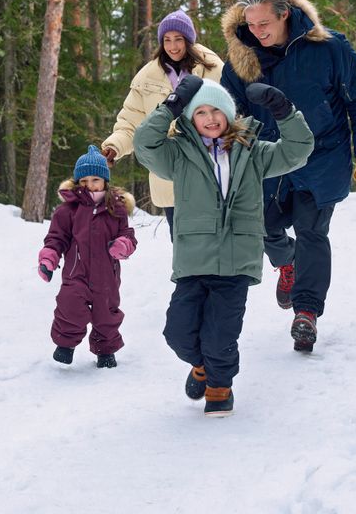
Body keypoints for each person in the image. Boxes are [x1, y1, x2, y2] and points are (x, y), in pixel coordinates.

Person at [133, 76, 313, 416]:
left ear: (229, 114)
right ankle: (201, 366)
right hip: (193, 258)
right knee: (178, 333)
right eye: (200, 111)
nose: (210, 117)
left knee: (220, 335)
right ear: (190, 118)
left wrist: (285, 111)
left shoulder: (253, 151)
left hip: (236, 261)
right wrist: (171, 104)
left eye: (217, 109)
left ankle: (219, 385)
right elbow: (145, 144)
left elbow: (298, 150)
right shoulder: (179, 154)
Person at [220, 0, 356, 353]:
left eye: (265, 25)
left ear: (285, 15)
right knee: (262, 226)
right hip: (269, 161)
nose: (257, 33)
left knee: (312, 232)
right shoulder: (242, 58)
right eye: (251, 25)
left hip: (321, 157)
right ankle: (286, 263)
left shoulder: (328, 48)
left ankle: (306, 313)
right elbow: (228, 111)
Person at [101, 9, 223, 240]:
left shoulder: (213, 70)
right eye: (167, 40)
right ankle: (188, 278)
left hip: (208, 170)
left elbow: (232, 115)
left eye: (178, 39)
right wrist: (114, 147)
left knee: (212, 243)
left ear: (189, 40)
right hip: (170, 174)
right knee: (182, 245)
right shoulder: (146, 78)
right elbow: (130, 122)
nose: (173, 46)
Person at [37, 145, 137, 369]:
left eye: (95, 180)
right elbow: (56, 238)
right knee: (69, 305)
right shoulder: (67, 210)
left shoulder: (116, 209)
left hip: (106, 276)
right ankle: (65, 345)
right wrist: (48, 259)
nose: (89, 185)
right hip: (76, 272)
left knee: (106, 313)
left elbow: (127, 234)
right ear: (77, 182)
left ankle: (105, 351)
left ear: (104, 181)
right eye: (84, 181)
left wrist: (123, 245)